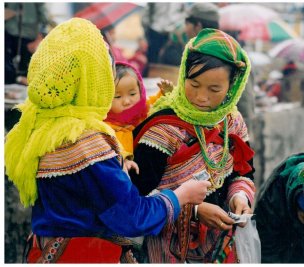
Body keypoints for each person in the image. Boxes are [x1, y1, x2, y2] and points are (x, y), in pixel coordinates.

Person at [4, 18, 210, 263]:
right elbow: (131, 217)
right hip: (86, 256)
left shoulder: (41, 124)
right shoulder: (86, 142)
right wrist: (181, 196)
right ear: (92, 77)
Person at [128, 28, 256, 263]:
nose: (201, 97)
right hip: (165, 247)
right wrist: (194, 210)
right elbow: (136, 196)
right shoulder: (162, 129)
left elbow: (243, 172)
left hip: (220, 245)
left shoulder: (232, 123)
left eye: (214, 89)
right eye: (194, 84)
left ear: (232, 88)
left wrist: (239, 197)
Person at [183, 2, 256, 142]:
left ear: (197, 25)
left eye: (187, 24)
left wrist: (239, 137)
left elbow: (245, 104)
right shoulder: (195, 50)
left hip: (226, 132)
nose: (185, 30)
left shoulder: (228, 55)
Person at [5, 3, 56, 84]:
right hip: (7, 36)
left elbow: (45, 20)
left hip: (29, 39)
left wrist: (39, 39)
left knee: (26, 71)